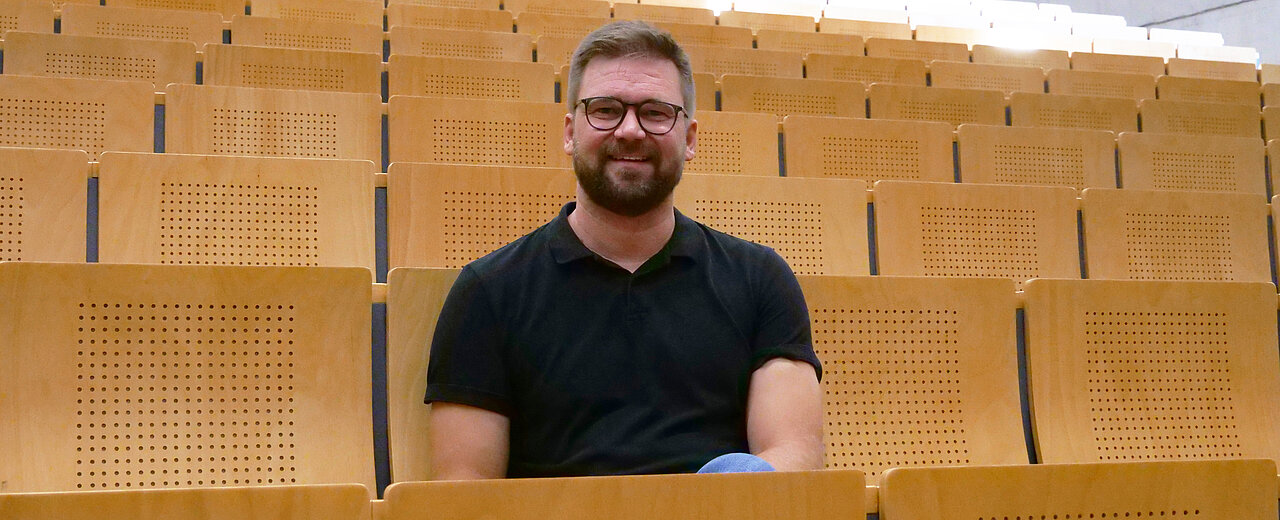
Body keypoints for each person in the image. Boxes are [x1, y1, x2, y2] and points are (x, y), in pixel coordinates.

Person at [424, 20, 823, 479]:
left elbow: (793, 455)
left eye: (656, 112)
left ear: (689, 139)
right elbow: (466, 492)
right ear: (570, 132)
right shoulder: (487, 292)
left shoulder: (761, 279)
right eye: (606, 110)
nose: (630, 130)